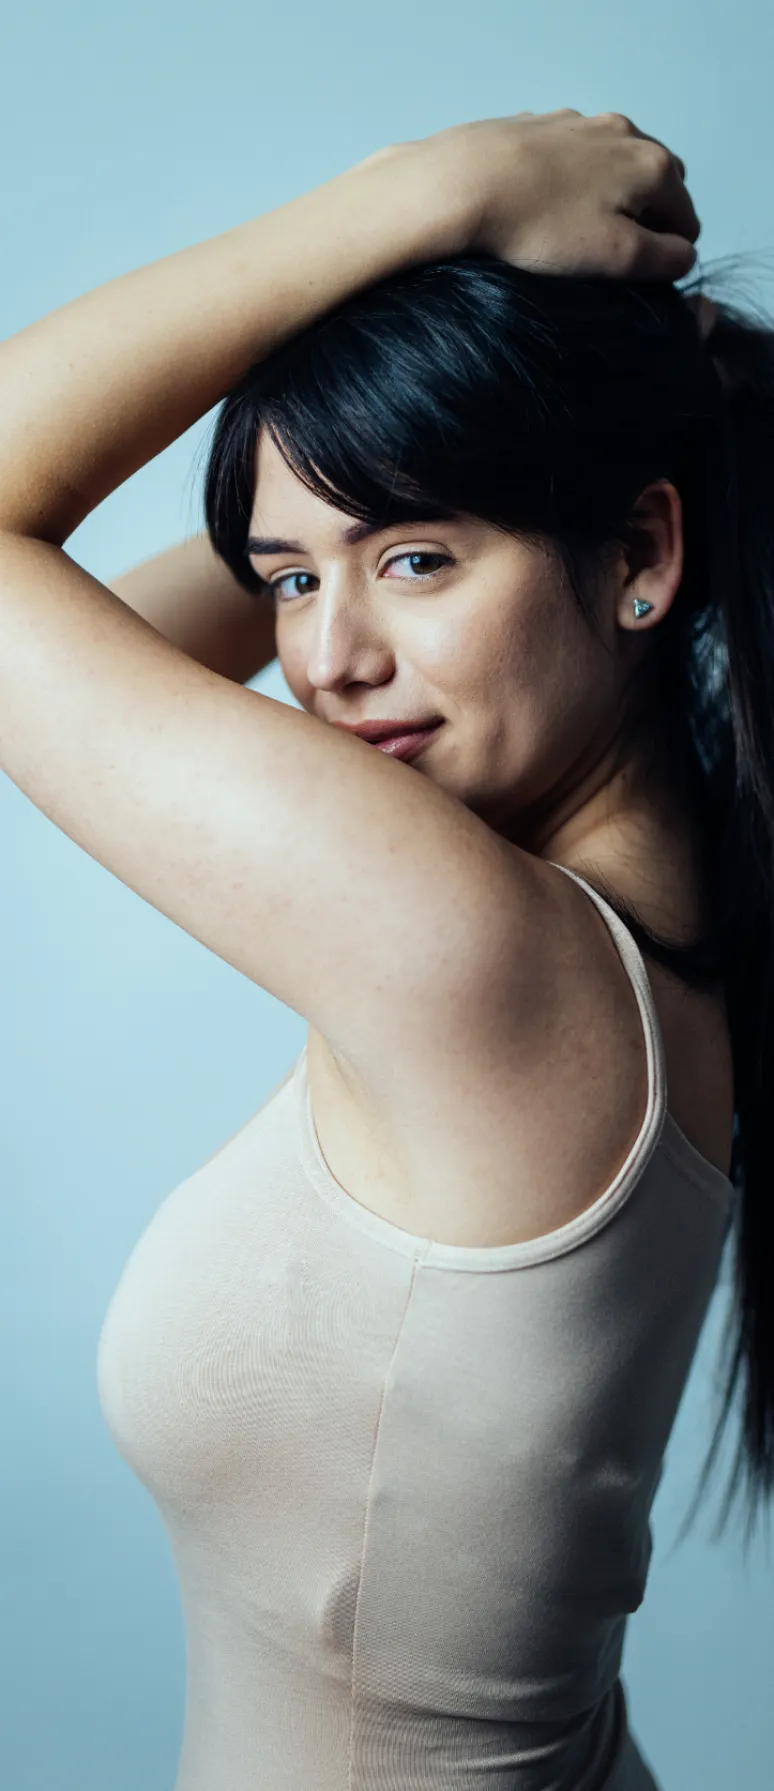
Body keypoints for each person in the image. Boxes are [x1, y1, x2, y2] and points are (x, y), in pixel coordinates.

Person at [1, 110, 771, 1789]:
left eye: (419, 559)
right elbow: (105, 661)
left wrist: (423, 200)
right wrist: (368, 497)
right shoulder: (653, 915)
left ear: (641, 554)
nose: (326, 661)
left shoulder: (480, 952)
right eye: (287, 582)